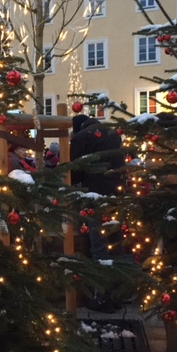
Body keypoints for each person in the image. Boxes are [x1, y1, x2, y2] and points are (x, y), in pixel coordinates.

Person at [70, 114, 126, 312]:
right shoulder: (112, 133)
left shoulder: (81, 137)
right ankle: (122, 292)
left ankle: (103, 297)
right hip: (117, 194)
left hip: (95, 195)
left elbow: (74, 170)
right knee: (117, 244)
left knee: (99, 246)